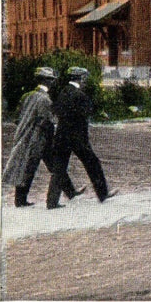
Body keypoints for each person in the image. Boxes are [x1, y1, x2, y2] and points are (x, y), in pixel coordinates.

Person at [3, 67, 82, 207]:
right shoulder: (45, 99)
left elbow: (16, 118)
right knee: (47, 167)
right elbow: (47, 123)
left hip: (25, 138)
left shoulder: (26, 96)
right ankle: (64, 195)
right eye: (51, 80)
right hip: (40, 140)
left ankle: (21, 199)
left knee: (27, 167)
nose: (52, 82)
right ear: (47, 81)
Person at [46, 67, 115, 209]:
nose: (85, 81)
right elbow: (87, 113)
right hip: (78, 138)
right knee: (93, 163)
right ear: (80, 79)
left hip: (61, 137)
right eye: (84, 79)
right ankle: (102, 194)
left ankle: (51, 202)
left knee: (59, 169)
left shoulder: (62, 93)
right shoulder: (81, 96)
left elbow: (55, 110)